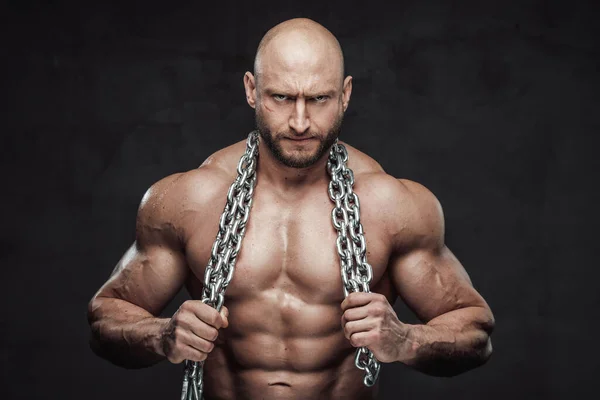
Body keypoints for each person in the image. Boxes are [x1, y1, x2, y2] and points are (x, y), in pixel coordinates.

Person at [87, 17, 495, 400]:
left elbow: (476, 333)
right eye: (281, 97)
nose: (300, 122)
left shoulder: (389, 205)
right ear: (251, 89)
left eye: (318, 99)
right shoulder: (191, 199)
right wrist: (162, 335)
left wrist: (406, 341)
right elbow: (104, 319)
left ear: (346, 94)